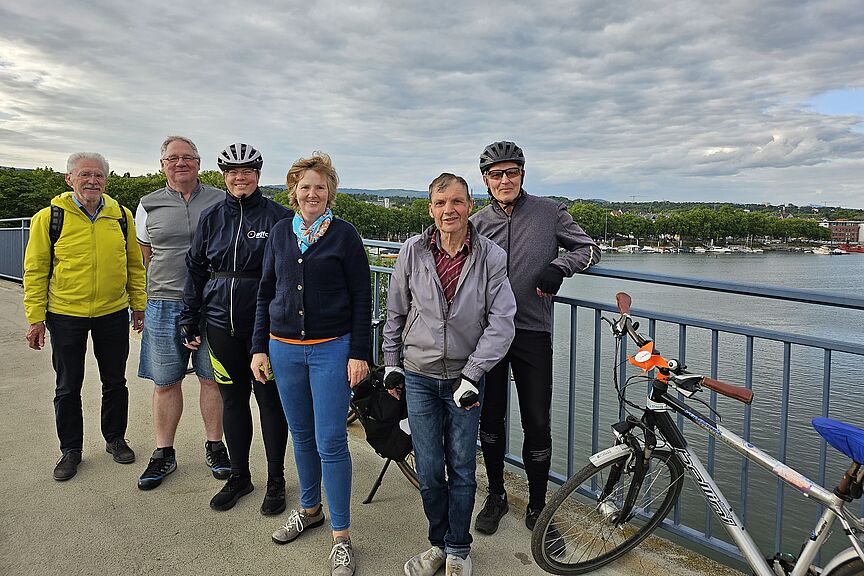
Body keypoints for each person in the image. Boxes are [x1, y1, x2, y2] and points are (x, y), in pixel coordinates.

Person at [383, 173, 516, 576]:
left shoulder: (491, 256)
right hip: (419, 374)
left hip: (465, 378)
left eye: (457, 202)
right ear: (430, 209)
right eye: (441, 204)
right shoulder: (412, 251)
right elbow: (396, 311)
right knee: (427, 466)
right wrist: (391, 362)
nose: (449, 211)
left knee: (460, 464)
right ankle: (437, 544)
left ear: (470, 206)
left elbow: (503, 321)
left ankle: (458, 548)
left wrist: (474, 373)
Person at [470, 141, 601, 535]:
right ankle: (496, 495)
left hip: (532, 332)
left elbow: (590, 249)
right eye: (496, 174)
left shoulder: (550, 212)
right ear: (486, 181)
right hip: (489, 334)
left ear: (523, 174)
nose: (505, 180)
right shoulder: (476, 223)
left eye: (512, 172)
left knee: (537, 423)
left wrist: (560, 266)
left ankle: (540, 507)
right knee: (490, 421)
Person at [251, 152, 370, 576]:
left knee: (331, 440)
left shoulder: (345, 235)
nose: (312, 193)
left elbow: (361, 297)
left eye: (320, 187)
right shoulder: (281, 232)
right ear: (294, 192)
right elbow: (266, 292)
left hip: (331, 349)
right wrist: (258, 347)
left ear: (330, 191)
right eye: (305, 187)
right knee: (300, 434)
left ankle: (341, 535)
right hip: (282, 348)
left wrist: (360, 353)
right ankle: (310, 508)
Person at [180, 143, 290, 514]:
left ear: (258, 175)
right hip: (219, 325)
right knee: (232, 401)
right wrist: (188, 316)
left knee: (270, 403)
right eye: (232, 172)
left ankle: (276, 481)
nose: (239, 178)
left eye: (246, 171)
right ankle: (240, 476)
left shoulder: (278, 216)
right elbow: (195, 268)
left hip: (265, 330)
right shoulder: (212, 218)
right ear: (224, 177)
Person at [23, 152, 146, 481]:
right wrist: (36, 318)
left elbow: (135, 265)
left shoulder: (120, 215)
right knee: (67, 386)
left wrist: (139, 306)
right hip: (65, 315)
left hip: (113, 312)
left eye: (99, 176)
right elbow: (35, 271)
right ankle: (71, 449)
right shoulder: (49, 218)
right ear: (69, 179)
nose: (92, 181)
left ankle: (115, 439)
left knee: (115, 382)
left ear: (107, 179)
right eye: (84, 175)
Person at [135, 136, 229, 491]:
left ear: (199, 163)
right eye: (173, 158)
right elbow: (146, 252)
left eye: (188, 157)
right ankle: (163, 453)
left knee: (212, 378)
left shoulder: (219, 200)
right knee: (166, 382)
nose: (181, 163)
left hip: (212, 303)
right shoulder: (148, 205)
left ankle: (215, 446)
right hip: (164, 302)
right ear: (162, 165)